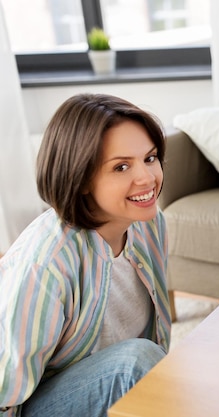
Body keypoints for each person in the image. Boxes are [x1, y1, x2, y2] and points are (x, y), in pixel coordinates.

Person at [0, 93, 171, 417]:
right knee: (133, 362)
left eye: (149, 158)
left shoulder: (149, 222)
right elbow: (5, 391)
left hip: (114, 391)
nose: (147, 178)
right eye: (121, 166)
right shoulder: (45, 264)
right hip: (34, 406)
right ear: (80, 178)